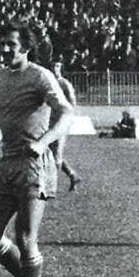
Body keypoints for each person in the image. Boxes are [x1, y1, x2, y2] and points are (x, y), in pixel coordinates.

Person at [0, 21, 71, 277]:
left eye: (11, 44)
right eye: (2, 43)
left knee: (25, 236)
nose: (4, 49)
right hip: (7, 165)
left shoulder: (40, 76)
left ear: (26, 48)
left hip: (35, 166)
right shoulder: (0, 79)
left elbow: (66, 112)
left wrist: (43, 142)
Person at [50, 60, 82, 191]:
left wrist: (66, 118)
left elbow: (72, 103)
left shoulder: (64, 84)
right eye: (53, 66)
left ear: (61, 68)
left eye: (57, 66)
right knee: (49, 152)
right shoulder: (48, 82)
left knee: (56, 153)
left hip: (61, 122)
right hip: (49, 121)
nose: (54, 68)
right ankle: (72, 175)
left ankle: (51, 185)